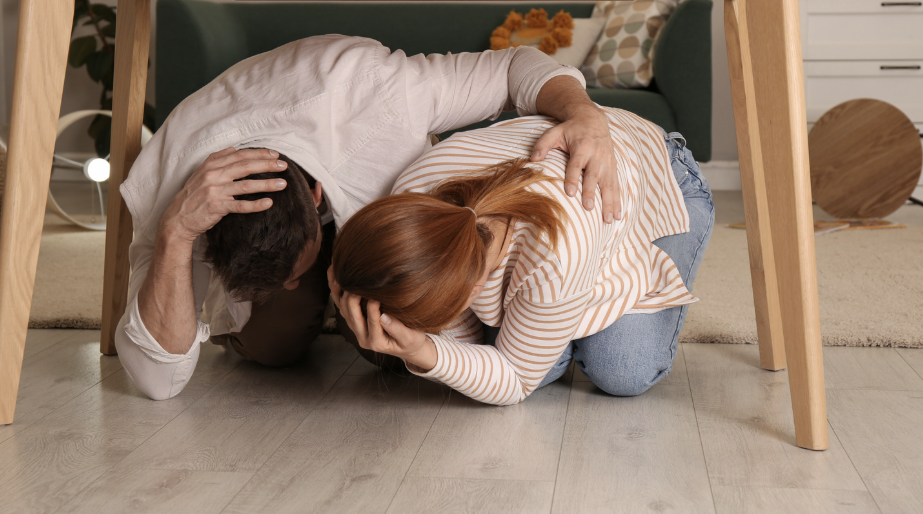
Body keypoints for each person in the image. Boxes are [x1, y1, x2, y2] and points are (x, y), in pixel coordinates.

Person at [114, 34, 623, 400]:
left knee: (390, 350)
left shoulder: (377, 92)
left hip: (371, 191)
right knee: (273, 350)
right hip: (226, 204)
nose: (294, 285)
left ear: (314, 195)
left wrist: (584, 114)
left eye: (295, 274)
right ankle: (285, 314)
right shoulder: (176, 192)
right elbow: (158, 381)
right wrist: (176, 234)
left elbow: (516, 65)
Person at [330, 109, 714, 404]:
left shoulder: (558, 253)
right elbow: (468, 349)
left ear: (475, 285)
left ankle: (570, 312)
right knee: (534, 359)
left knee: (621, 371)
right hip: (571, 203)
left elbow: (515, 378)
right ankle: (562, 317)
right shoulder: (412, 193)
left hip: (661, 176)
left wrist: (425, 351)